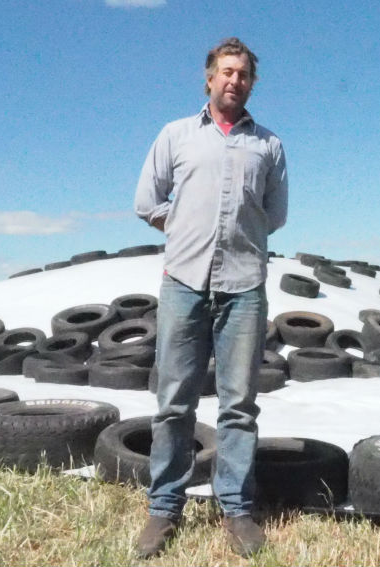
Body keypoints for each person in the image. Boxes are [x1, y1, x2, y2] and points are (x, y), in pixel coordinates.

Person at [131, 37, 288, 558]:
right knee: (173, 402)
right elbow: (145, 201)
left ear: (251, 82)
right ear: (208, 77)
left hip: (243, 285)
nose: (234, 81)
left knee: (239, 405)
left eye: (243, 74)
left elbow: (275, 214)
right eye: (226, 72)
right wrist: (181, 226)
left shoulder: (268, 145)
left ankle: (237, 510)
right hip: (183, 283)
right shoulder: (175, 135)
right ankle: (163, 508)